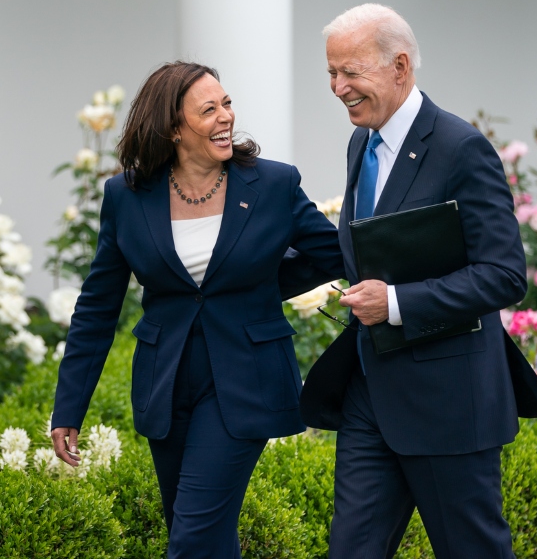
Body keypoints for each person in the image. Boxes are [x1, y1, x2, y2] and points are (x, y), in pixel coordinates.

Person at [50, 61, 343, 558]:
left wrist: (259, 288)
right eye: (209, 110)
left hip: (245, 379)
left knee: (192, 539)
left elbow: (332, 253)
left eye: (226, 104)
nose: (226, 117)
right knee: (204, 536)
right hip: (165, 383)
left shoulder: (272, 184)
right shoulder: (126, 195)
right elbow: (98, 306)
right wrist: (69, 407)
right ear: (173, 128)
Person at [315, 4, 537, 558]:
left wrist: (395, 302)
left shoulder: (461, 148)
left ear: (400, 66)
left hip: (449, 404)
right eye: (331, 73)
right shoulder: (361, 143)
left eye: (350, 72)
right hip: (370, 397)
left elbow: (504, 274)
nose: (338, 87)